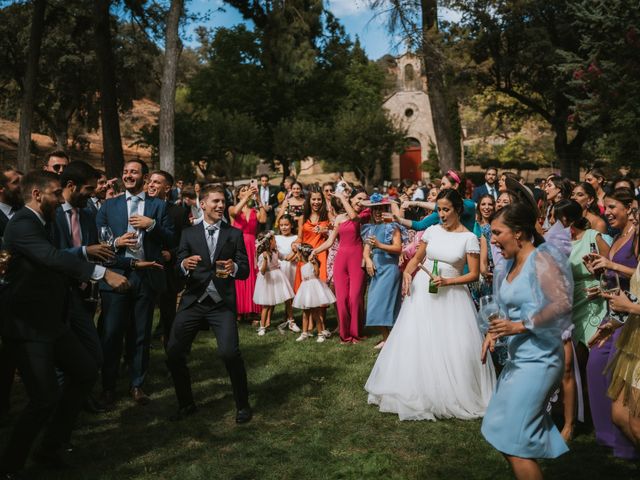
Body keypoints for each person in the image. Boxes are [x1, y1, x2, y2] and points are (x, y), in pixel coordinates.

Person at [0, 171, 128, 477]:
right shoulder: (22, 224)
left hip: (53, 322)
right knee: (43, 398)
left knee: (84, 371)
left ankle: (50, 447)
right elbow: (51, 258)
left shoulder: (41, 221)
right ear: (37, 194)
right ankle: (10, 466)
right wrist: (101, 273)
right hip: (28, 327)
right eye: (56, 194)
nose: (61, 199)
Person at [365, 189, 495, 420]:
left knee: (452, 343)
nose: (442, 214)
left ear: (457, 210)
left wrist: (449, 281)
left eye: (446, 210)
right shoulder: (432, 231)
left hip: (453, 295)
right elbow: (417, 258)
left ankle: (451, 390)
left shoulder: (468, 238)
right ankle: (416, 387)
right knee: (418, 338)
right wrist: (407, 273)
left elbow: (474, 274)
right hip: (423, 290)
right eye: (439, 210)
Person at [480, 202, 573, 478]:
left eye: (497, 233)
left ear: (518, 233)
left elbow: (561, 304)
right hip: (518, 359)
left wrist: (520, 326)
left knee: (515, 442)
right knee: (499, 431)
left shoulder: (542, 260)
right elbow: (506, 306)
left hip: (541, 359)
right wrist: (492, 331)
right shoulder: (509, 264)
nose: (493, 240)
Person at [166, 184, 252, 423]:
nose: (221, 205)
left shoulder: (233, 234)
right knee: (173, 353)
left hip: (221, 304)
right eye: (215, 201)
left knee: (229, 353)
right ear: (201, 204)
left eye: (223, 201)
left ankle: (242, 405)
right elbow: (178, 263)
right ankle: (186, 404)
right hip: (193, 301)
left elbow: (244, 269)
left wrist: (233, 267)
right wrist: (184, 264)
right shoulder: (188, 233)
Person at [96, 159, 174, 407]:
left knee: (141, 333)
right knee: (111, 333)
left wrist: (151, 225)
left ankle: (137, 384)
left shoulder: (158, 206)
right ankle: (108, 387)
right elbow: (99, 237)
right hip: (117, 274)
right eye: (125, 171)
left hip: (146, 276)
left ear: (144, 176)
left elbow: (171, 237)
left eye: (134, 172)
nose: (128, 175)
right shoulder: (109, 206)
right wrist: (116, 242)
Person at [51, 161, 117, 414]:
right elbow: (51, 254)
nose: (92, 194)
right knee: (61, 361)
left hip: (82, 294)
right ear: (70, 185)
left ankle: (78, 398)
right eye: (88, 189)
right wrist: (84, 251)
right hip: (57, 293)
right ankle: (62, 414)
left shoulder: (88, 214)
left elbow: (92, 247)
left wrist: (99, 253)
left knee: (93, 353)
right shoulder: (52, 213)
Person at [585, 188, 639, 459]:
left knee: (617, 378)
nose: (607, 212)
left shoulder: (636, 237)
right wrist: (601, 277)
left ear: (630, 207)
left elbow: (636, 276)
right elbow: (622, 279)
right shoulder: (618, 238)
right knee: (596, 362)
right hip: (616, 311)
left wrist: (612, 266)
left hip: (632, 315)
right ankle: (608, 438)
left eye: (612, 206)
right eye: (605, 207)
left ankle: (625, 444)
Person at [551, 199, 610, 441]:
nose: (561, 223)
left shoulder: (593, 237)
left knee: (592, 361)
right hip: (570, 302)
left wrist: (600, 279)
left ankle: (598, 418)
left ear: (573, 218)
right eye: (558, 218)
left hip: (595, 300)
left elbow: (612, 269)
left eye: (564, 218)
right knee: (572, 363)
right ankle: (577, 417)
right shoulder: (559, 242)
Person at [312, 187, 369, 344]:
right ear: (352, 199)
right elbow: (331, 241)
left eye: (364, 199)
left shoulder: (365, 214)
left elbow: (354, 217)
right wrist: (314, 251)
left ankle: (356, 333)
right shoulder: (339, 218)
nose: (361, 202)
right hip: (341, 260)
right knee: (341, 299)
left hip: (357, 258)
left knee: (355, 297)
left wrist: (343, 198)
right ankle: (345, 335)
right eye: (358, 198)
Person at [147, 170, 191, 347]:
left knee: (167, 315)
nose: (151, 185)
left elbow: (186, 240)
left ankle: (172, 355)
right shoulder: (139, 207)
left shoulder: (178, 212)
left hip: (167, 272)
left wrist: (171, 254)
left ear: (167, 188)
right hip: (141, 269)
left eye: (157, 182)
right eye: (150, 181)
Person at [361, 194, 403, 349]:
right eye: (375, 210)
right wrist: (368, 260)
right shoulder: (371, 228)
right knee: (373, 304)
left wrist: (379, 245)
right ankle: (388, 338)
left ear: (386, 210)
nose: (377, 212)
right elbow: (366, 250)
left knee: (386, 305)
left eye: (381, 209)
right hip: (376, 270)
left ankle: (391, 339)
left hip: (389, 270)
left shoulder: (392, 227)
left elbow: (398, 248)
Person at [293, 186, 331, 339]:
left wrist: (325, 231)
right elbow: (299, 237)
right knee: (307, 290)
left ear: (322, 200)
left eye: (318, 199)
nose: (316, 202)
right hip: (305, 257)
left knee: (320, 290)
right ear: (309, 200)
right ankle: (308, 325)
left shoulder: (327, 216)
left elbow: (333, 234)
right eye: (313, 199)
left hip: (321, 255)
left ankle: (322, 324)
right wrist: (294, 245)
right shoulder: (304, 216)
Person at [0, 167, 22, 424]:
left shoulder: (23, 214)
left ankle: (4, 403)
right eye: (17, 183)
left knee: (10, 351)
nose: (21, 186)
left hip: (16, 293)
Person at [397, 170, 478, 233]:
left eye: (443, 184)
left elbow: (453, 207)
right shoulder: (441, 210)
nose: (441, 188)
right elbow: (419, 225)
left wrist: (416, 203)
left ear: (455, 186)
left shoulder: (469, 204)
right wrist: (398, 219)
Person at [229, 184, 266, 321]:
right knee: (238, 275)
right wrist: (245, 198)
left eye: (247, 190)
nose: (246, 193)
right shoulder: (232, 208)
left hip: (251, 244)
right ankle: (238, 310)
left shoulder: (255, 211)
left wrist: (258, 199)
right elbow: (234, 213)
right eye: (243, 191)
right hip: (237, 243)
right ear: (238, 195)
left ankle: (252, 310)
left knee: (252, 275)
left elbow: (263, 220)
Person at [292, 244, 336, 342]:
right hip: (305, 288)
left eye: (298, 254)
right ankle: (304, 333)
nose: (297, 256)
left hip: (313, 288)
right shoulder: (302, 265)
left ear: (303, 254)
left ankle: (320, 334)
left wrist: (315, 264)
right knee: (305, 313)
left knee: (316, 313)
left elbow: (316, 274)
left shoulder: (312, 263)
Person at [253, 230, 294, 336]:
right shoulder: (263, 255)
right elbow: (262, 271)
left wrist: (295, 251)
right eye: (274, 240)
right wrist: (266, 259)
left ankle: (291, 321)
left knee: (288, 299)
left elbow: (286, 258)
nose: (276, 242)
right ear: (269, 242)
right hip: (268, 279)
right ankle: (262, 326)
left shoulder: (276, 252)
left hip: (278, 277)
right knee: (267, 305)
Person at [274, 215, 300, 333]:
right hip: (281, 268)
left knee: (292, 294)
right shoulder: (276, 237)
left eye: (286, 225)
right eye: (281, 225)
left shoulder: (296, 237)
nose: (284, 227)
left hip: (293, 268)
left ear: (291, 225)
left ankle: (287, 316)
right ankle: (291, 320)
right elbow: (275, 253)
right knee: (286, 294)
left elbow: (296, 253)